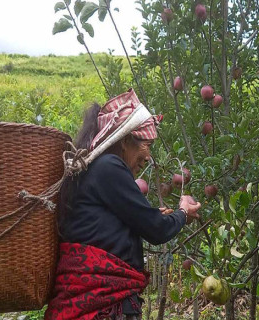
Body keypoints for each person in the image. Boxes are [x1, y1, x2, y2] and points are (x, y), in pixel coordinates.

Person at [44, 89, 201, 320]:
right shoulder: (109, 166)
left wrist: (149, 216)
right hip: (105, 307)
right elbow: (157, 229)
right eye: (146, 145)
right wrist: (182, 213)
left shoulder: (94, 169)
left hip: (91, 303)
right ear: (126, 141)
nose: (148, 157)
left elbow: (102, 226)